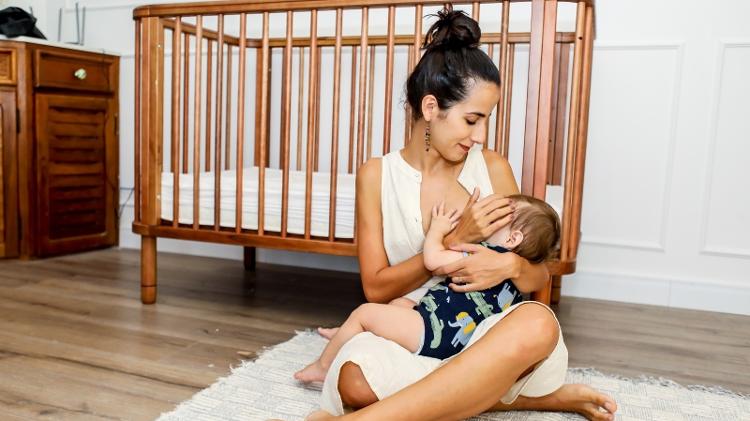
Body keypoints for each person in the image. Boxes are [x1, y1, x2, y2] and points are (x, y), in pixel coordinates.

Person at [302, 6, 618, 421]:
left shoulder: (493, 168)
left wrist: (504, 266)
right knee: (353, 382)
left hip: (484, 332)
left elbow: (538, 275)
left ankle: (391, 411)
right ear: (430, 108)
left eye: (486, 120)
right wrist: (453, 239)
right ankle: (521, 398)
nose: (480, 135)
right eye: (472, 119)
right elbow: (376, 291)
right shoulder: (377, 175)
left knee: (537, 325)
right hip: (415, 327)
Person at [294, 195, 560, 382]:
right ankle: (347, 334)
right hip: (450, 333)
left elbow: (434, 262)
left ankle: (323, 366)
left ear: (513, 238)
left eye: (499, 218)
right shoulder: (514, 282)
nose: (489, 219)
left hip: (435, 332)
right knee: (399, 305)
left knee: (365, 313)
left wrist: (438, 230)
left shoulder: (484, 254)